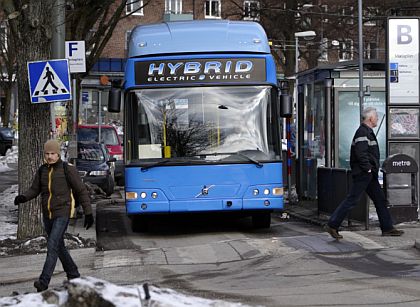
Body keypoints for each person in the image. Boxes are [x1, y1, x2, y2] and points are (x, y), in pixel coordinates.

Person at [14, 139, 94, 292]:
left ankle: (43, 282)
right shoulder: (42, 170)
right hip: (47, 214)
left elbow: (81, 191)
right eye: (47, 154)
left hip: (62, 213)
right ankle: (74, 275)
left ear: (58, 154)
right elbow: (34, 189)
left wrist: (88, 212)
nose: (50, 156)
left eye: (53, 153)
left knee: (52, 245)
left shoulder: (67, 169)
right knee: (59, 246)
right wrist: (23, 197)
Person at [325, 107, 404, 239]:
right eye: (376, 117)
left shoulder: (366, 132)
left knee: (380, 200)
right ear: (370, 118)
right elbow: (361, 153)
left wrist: (370, 169)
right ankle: (332, 225)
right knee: (352, 199)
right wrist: (367, 168)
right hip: (364, 173)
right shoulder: (363, 132)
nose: (377, 119)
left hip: (368, 174)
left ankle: (387, 227)